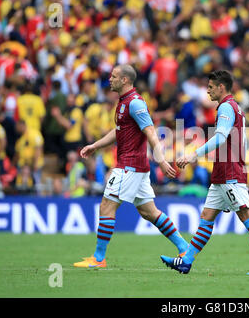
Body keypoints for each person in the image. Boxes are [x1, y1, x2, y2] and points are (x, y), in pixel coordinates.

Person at [160, 70, 249, 275]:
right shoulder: (235, 107)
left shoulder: (225, 107)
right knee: (207, 215)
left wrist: (193, 155)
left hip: (230, 170)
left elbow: (221, 137)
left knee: (245, 214)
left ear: (221, 87)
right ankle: (186, 261)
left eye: (211, 87)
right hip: (222, 171)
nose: (207, 91)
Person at [73, 64, 188, 268]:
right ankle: (184, 247)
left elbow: (151, 131)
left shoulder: (135, 103)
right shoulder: (124, 102)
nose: (110, 79)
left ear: (125, 80)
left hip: (129, 166)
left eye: (114, 76)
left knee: (107, 206)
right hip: (134, 166)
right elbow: (119, 132)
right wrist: (95, 146)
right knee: (149, 212)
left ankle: (99, 259)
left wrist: (161, 161)